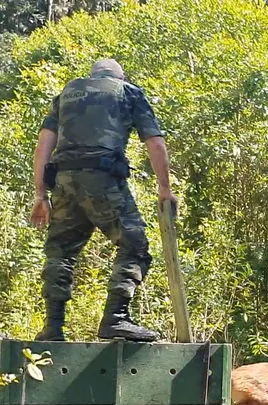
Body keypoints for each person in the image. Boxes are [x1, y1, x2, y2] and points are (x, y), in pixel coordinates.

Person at [29, 58, 177, 342]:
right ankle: (116, 318)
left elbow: (43, 144)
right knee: (134, 243)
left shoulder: (67, 94)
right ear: (118, 76)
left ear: (92, 75)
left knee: (61, 251)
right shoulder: (128, 92)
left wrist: (40, 194)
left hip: (64, 181)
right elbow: (155, 143)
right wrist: (164, 188)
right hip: (102, 177)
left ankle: (53, 327)